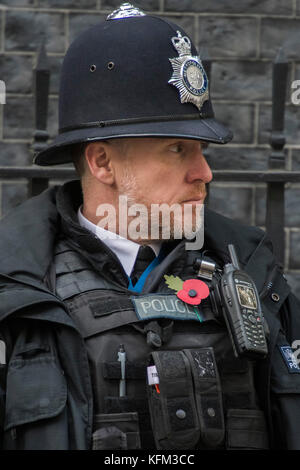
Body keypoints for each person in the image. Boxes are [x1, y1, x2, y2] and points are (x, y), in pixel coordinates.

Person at [0, 2, 300, 451]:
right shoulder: (17, 294)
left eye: (202, 149)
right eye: (177, 149)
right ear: (102, 162)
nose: (204, 172)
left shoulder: (257, 278)